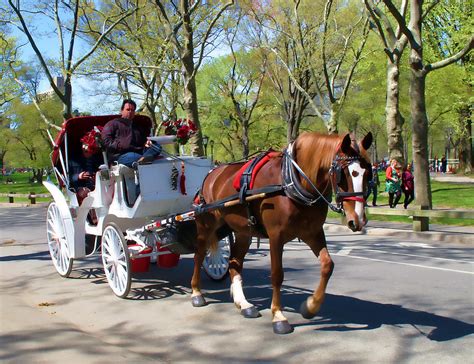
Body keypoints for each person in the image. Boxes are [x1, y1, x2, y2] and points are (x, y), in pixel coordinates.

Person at [101, 99, 162, 168]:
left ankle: (144, 159)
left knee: (156, 146)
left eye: (132, 110)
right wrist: (120, 145)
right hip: (120, 155)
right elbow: (105, 140)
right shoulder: (112, 124)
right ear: (121, 111)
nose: (130, 112)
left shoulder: (137, 126)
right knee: (133, 156)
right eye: (128, 109)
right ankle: (144, 159)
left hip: (139, 152)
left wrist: (146, 142)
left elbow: (143, 140)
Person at [69, 127, 103, 205]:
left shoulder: (97, 159)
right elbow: (68, 178)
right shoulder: (73, 160)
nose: (89, 154)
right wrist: (79, 176)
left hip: (97, 185)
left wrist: (96, 175)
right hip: (80, 186)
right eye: (87, 152)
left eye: (92, 152)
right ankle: (90, 214)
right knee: (85, 193)